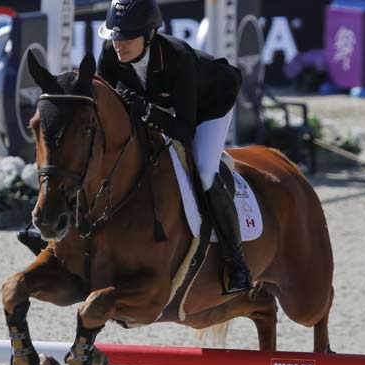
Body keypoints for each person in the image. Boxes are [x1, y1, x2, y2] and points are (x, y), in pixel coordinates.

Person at [18, 0, 252, 294]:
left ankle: (236, 262)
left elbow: (184, 129)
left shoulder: (177, 58)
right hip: (157, 105)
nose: (119, 44)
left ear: (150, 34)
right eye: (115, 36)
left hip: (207, 107)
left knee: (204, 171)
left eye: (128, 37)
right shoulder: (110, 54)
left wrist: (147, 112)